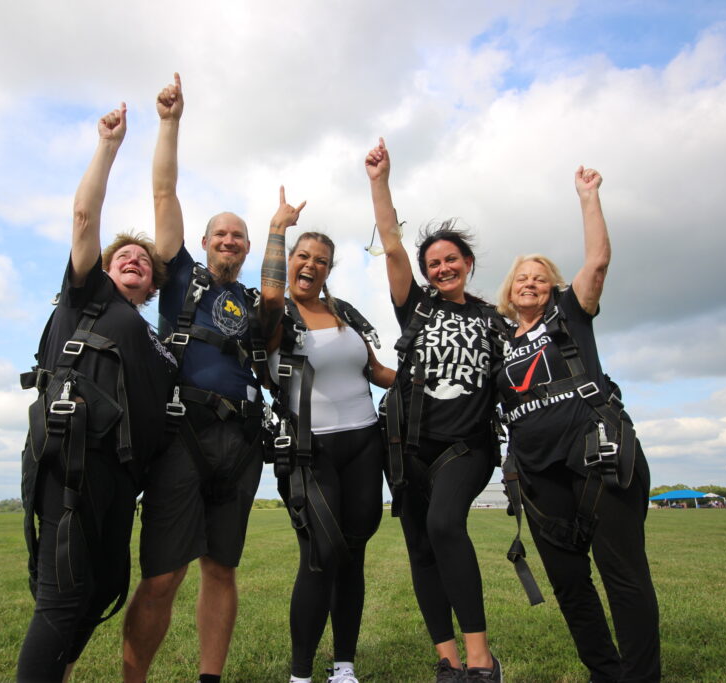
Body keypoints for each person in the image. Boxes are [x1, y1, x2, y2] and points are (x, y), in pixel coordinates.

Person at [17, 103, 177, 682]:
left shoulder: (152, 339)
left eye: (143, 260)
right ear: (105, 270)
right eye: (122, 256)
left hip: (120, 477)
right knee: (61, 598)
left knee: (105, 588)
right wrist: (108, 146)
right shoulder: (89, 299)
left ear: (153, 284)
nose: (133, 258)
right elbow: (85, 216)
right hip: (73, 461)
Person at [122, 73, 266, 683]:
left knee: (221, 569)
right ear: (204, 242)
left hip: (242, 440)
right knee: (163, 575)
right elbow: (163, 191)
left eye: (238, 235)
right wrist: (170, 123)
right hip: (184, 432)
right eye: (220, 234)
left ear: (248, 246)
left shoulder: (259, 301)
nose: (228, 240)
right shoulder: (180, 274)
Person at [494, 166, 660, 682]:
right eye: (522, 277)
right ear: (509, 288)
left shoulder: (570, 313)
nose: (531, 283)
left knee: (623, 576)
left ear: (553, 287)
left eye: (540, 277)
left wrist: (588, 197)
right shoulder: (498, 340)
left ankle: (640, 677)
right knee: (569, 583)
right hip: (537, 477)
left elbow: (598, 260)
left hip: (597, 457)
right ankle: (605, 673)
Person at [365, 138, 504, 683]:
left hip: (468, 445)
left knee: (446, 524)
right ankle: (446, 660)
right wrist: (380, 182)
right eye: (435, 263)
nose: (443, 267)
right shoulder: (417, 307)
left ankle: (480, 659)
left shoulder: (495, 319)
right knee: (421, 546)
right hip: (406, 448)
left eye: (451, 259)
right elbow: (393, 248)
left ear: (467, 264)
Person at [259, 188, 396, 683]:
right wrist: (279, 228)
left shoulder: (347, 314)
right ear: (290, 260)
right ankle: (300, 675)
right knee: (320, 557)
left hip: (364, 444)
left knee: (353, 555)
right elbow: (273, 292)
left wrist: (431, 383)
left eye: (321, 260)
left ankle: (344, 667)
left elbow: (377, 371)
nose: (310, 265)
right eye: (302, 256)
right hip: (309, 448)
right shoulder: (273, 314)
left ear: (329, 270)